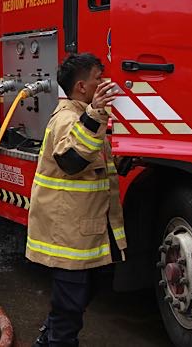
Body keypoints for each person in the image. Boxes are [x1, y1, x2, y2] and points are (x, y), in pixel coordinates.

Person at [29, 53, 125, 347]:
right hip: (69, 238)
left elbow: (96, 165)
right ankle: (57, 340)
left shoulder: (86, 117)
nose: (104, 82)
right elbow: (71, 161)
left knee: (88, 290)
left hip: (86, 233)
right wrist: (94, 116)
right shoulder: (68, 119)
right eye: (99, 77)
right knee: (70, 306)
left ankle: (51, 334)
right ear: (82, 86)